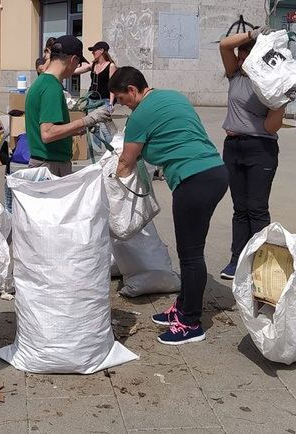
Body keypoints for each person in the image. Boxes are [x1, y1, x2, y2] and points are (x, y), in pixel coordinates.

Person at [109, 66, 229, 345]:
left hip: (193, 181)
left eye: (122, 100)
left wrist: (106, 182)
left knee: (191, 254)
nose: (123, 107)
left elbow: (125, 163)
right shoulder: (172, 96)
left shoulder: (140, 116)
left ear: (132, 90)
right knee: (190, 250)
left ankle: (190, 323)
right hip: (215, 172)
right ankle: (183, 305)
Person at [218, 27, 287, 280]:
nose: (241, 61)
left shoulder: (272, 85)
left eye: (246, 57)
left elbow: (270, 127)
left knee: (256, 208)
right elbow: (224, 45)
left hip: (261, 148)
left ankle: (260, 261)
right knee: (239, 209)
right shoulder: (235, 75)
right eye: (240, 57)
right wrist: (252, 34)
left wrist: (280, 102)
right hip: (233, 146)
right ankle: (237, 260)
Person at [25, 34, 111, 177]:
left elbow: (48, 128)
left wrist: (74, 129)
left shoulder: (42, 83)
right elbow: (47, 133)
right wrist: (88, 120)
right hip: (50, 166)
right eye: (78, 64)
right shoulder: (51, 88)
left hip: (45, 163)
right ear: (73, 60)